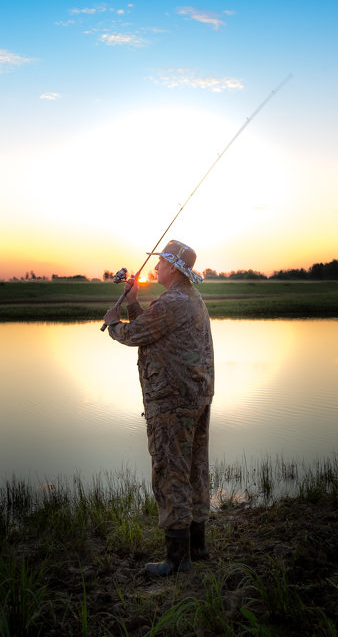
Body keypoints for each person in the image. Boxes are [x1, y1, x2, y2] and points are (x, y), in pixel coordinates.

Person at [103, 239, 214, 576]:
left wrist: (113, 323)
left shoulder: (172, 302)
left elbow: (136, 334)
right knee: (194, 470)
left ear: (173, 268)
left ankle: (177, 560)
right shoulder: (189, 300)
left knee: (171, 474)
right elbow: (153, 331)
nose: (155, 268)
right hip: (195, 398)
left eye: (161, 264)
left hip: (172, 404)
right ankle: (197, 548)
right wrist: (133, 303)